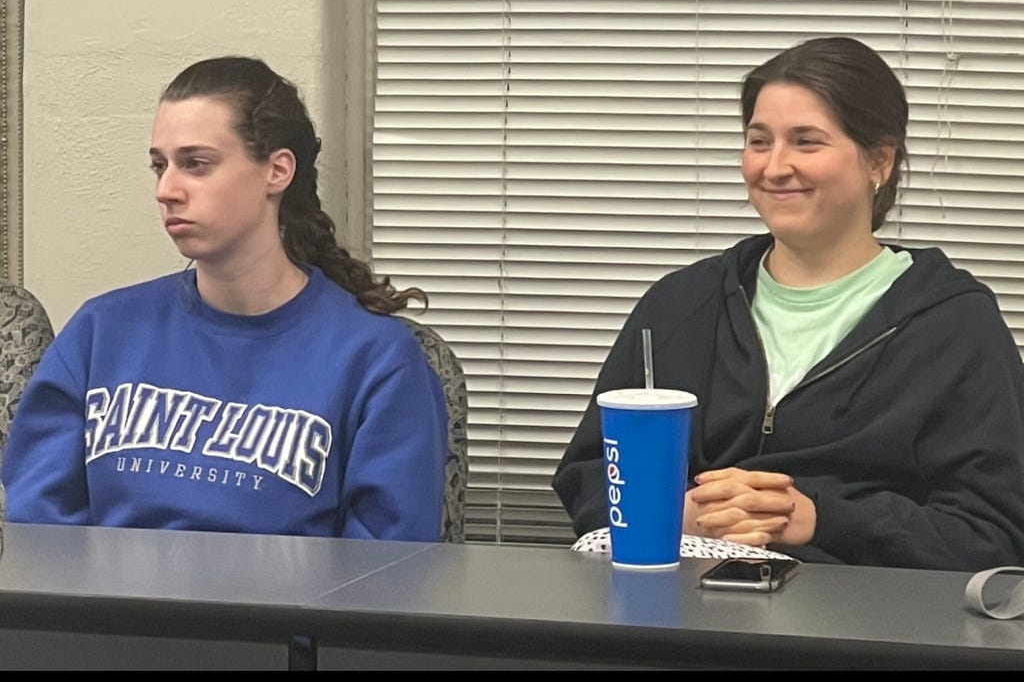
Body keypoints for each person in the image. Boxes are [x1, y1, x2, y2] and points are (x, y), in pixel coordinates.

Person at [552, 36, 1024, 571]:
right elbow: (588, 473)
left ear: (880, 160)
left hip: (859, 628)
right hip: (678, 616)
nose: (774, 167)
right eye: (759, 141)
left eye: (806, 142)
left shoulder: (954, 324)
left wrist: (815, 517)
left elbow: (994, 533)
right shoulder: (680, 304)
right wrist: (672, 514)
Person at [0, 56, 448, 542]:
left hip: (291, 617)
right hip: (112, 616)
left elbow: (385, 576)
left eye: (196, 164)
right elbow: (38, 539)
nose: (166, 190)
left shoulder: (376, 360)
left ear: (277, 171)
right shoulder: (100, 332)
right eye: (159, 166)